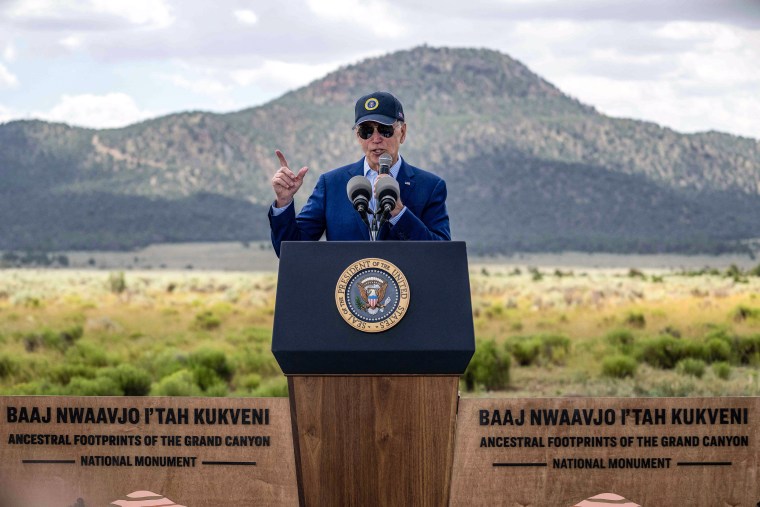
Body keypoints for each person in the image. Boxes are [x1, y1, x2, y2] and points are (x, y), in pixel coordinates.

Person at [268, 91, 450, 257]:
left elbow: (442, 254)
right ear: (358, 136)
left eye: (385, 130)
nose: (376, 139)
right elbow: (292, 250)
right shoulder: (332, 184)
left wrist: (400, 214)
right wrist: (284, 202)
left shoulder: (430, 187)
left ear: (402, 133)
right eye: (366, 131)